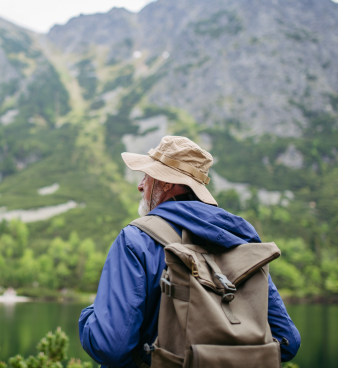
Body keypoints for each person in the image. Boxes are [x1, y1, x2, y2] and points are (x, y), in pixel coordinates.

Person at [78, 136, 301, 367]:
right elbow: (287, 341)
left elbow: (110, 347)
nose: (141, 184)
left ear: (166, 184)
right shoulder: (244, 240)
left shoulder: (136, 239)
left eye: (147, 175)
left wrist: (90, 315)